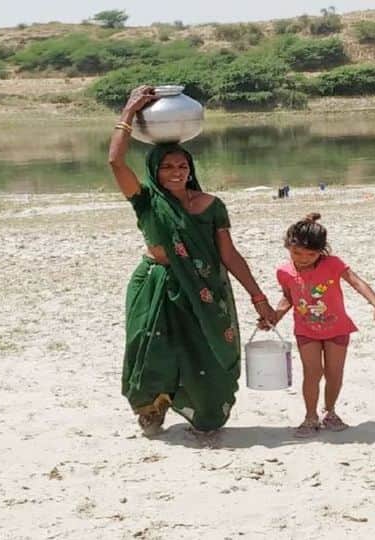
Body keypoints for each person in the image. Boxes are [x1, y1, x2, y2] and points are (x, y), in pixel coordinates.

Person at [109, 85, 277, 436]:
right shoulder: (146, 201)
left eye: (182, 165)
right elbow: (116, 162)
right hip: (154, 284)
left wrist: (258, 297)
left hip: (202, 289)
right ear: (154, 170)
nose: (176, 171)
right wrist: (129, 111)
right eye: (167, 166)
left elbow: (229, 254)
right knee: (150, 346)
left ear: (191, 168)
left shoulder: (212, 205)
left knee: (204, 349)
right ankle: (152, 409)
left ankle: (206, 412)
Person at [260, 213, 375, 437]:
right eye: (297, 253)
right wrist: (274, 317)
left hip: (337, 329)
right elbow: (289, 298)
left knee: (334, 373)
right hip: (306, 331)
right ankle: (310, 417)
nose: (303, 258)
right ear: (288, 247)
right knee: (312, 373)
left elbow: (357, 282)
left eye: (311, 254)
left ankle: (330, 412)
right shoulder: (284, 272)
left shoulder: (333, 264)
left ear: (322, 251)